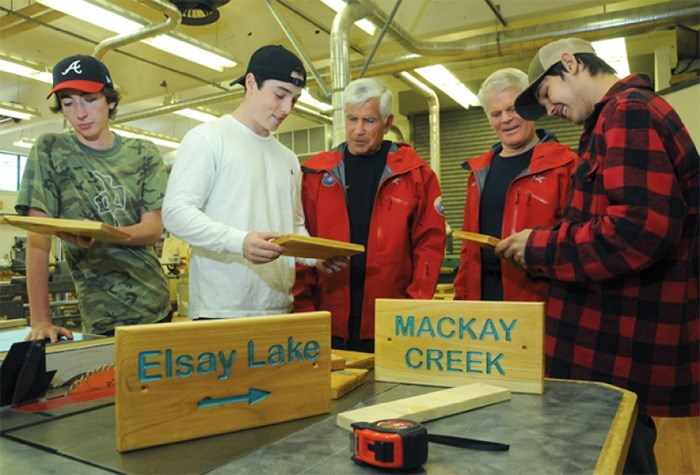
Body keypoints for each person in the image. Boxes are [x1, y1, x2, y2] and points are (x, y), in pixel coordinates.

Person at [496, 38, 699, 474]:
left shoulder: (629, 113)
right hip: (613, 343)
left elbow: (638, 229)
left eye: (547, 95)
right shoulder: (613, 120)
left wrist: (538, 246)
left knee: (620, 458)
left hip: (618, 342)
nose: (549, 110)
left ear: (569, 63)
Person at [162, 45, 344, 320]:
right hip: (221, 310)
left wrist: (315, 257)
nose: (286, 109)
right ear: (251, 83)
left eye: (294, 99)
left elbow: (293, 227)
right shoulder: (208, 138)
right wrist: (240, 241)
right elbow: (175, 213)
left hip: (279, 307)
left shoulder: (288, 158)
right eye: (280, 95)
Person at [16, 54, 171, 342]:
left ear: (110, 100)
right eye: (68, 102)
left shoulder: (143, 153)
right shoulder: (50, 150)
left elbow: (151, 230)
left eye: (89, 98)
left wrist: (98, 234)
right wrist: (40, 320)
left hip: (155, 307)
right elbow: (38, 235)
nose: (80, 113)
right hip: (99, 316)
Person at [293, 77, 446, 353]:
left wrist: (412, 311)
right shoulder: (316, 175)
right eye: (352, 119)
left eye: (369, 121)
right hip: (327, 321)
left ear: (387, 123)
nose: (358, 130)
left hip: (391, 325)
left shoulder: (415, 175)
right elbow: (302, 243)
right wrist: (304, 310)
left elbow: (429, 247)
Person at [453, 68, 577, 302]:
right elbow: (468, 249)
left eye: (512, 109)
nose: (506, 119)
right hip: (483, 298)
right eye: (496, 113)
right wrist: (462, 298)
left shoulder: (565, 166)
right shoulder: (479, 172)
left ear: (531, 107)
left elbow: (577, 240)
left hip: (542, 298)